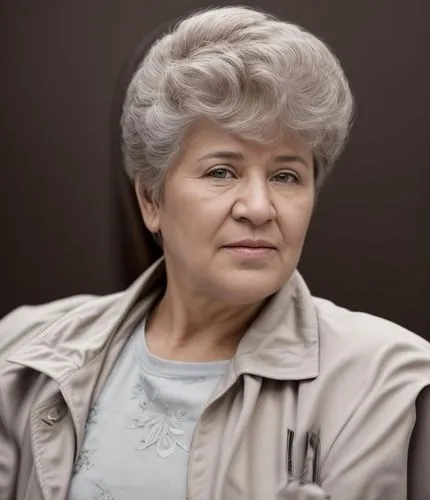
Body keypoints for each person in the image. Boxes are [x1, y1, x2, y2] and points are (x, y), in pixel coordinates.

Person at [0, 6, 429, 500]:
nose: (259, 207)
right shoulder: (26, 356)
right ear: (151, 199)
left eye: (286, 175)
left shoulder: (393, 384)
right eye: (221, 171)